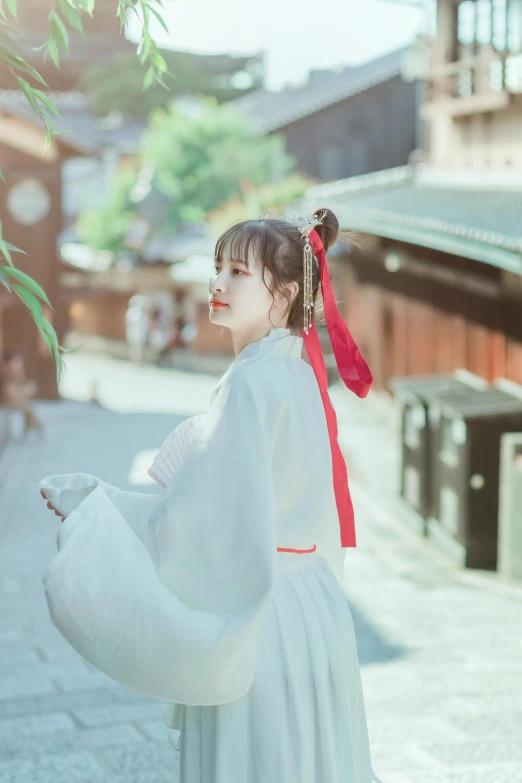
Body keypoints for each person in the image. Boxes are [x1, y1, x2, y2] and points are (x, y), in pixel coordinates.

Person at [39, 207, 382, 783]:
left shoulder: (249, 381)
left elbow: (201, 528)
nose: (217, 284)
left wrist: (99, 510)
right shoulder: (295, 372)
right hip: (308, 606)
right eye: (217, 267)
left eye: (239, 272)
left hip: (258, 610)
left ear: (286, 294)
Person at [0, 349, 43, 437]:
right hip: (4, 400)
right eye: (17, 361)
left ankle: (30, 427)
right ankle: (35, 425)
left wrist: (26, 388)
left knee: (27, 405)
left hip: (12, 399)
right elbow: (8, 391)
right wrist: (24, 391)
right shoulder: (4, 372)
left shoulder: (17, 372)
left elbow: (21, 384)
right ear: (9, 361)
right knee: (27, 407)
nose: (19, 363)